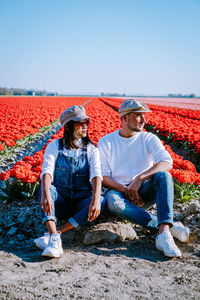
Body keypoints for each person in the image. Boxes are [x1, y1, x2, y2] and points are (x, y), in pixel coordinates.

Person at [98, 99, 190, 258]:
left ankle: (163, 235)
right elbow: (103, 177)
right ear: (124, 118)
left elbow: (166, 162)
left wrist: (139, 179)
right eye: (138, 115)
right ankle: (166, 227)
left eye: (144, 116)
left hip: (143, 192)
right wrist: (126, 189)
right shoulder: (107, 142)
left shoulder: (149, 139)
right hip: (118, 192)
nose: (144, 120)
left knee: (164, 176)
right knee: (113, 201)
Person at [34, 105, 105, 258]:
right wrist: (45, 192)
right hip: (60, 200)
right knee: (46, 189)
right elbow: (47, 171)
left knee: (102, 200)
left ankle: (55, 235)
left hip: (80, 202)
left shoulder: (91, 149)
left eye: (87, 122)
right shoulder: (55, 146)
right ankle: (54, 238)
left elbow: (96, 175)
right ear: (68, 126)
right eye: (81, 123)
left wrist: (96, 198)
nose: (85, 126)